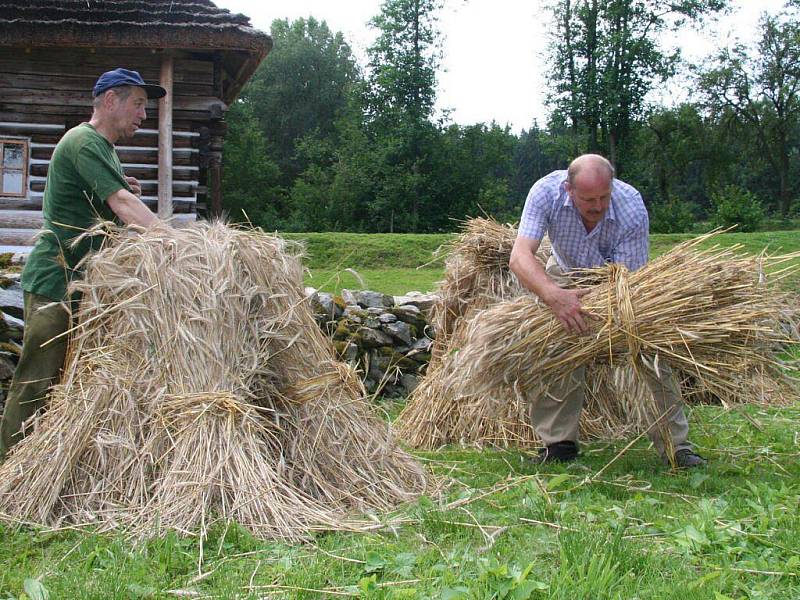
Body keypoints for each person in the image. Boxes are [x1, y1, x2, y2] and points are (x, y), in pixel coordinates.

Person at [0, 68, 166, 456]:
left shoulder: (103, 149)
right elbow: (122, 205)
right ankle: (8, 473)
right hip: (55, 283)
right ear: (111, 100)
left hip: (82, 285)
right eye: (138, 104)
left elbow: (112, 198)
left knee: (70, 382)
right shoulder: (84, 140)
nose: (145, 114)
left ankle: (44, 464)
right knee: (37, 381)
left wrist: (124, 186)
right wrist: (175, 241)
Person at [509, 154, 706, 468]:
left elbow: (627, 280)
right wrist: (554, 296)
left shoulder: (630, 207)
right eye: (588, 199)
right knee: (555, 343)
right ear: (568, 190)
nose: (597, 206)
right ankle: (558, 445)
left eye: (603, 197)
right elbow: (519, 256)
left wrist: (600, 310)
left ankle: (676, 447)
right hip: (565, 273)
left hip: (619, 284)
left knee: (648, 351)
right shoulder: (545, 192)